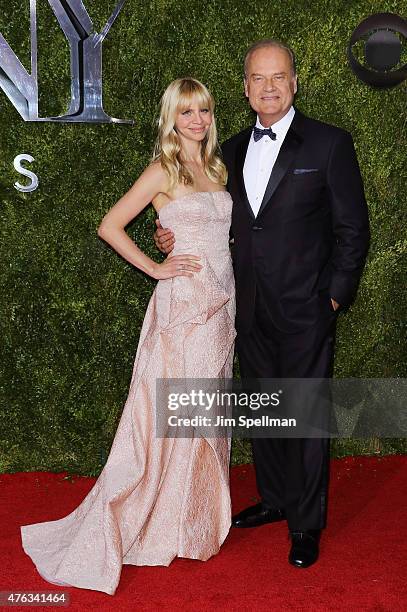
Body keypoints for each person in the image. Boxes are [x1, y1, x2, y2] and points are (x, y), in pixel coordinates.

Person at [154, 40, 370, 568]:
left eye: (279, 77)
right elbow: (204, 213)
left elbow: (352, 230)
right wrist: (169, 238)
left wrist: (335, 296)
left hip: (306, 308)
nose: (269, 87)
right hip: (242, 305)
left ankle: (306, 522)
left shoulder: (328, 144)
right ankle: (274, 499)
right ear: (245, 87)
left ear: (294, 82)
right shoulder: (224, 150)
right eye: (258, 78)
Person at [20, 77, 236, 595]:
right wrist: (156, 268)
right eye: (187, 113)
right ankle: (163, 519)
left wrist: (172, 240)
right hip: (185, 307)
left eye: (204, 110)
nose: (198, 121)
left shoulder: (215, 167)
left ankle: (192, 518)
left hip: (223, 303)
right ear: (171, 119)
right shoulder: (164, 168)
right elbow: (110, 224)